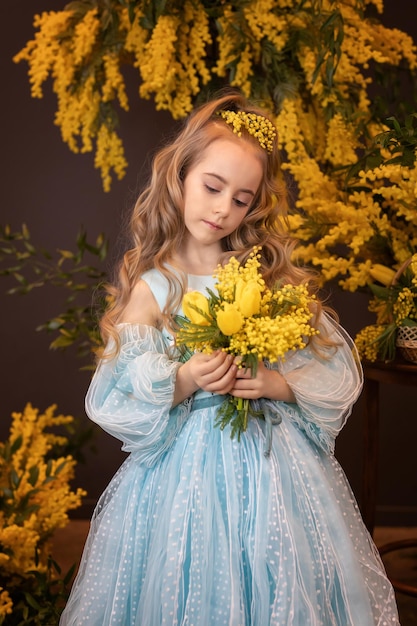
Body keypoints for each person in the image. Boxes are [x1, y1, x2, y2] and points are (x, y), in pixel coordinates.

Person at [60, 91, 399, 625]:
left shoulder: (260, 277)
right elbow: (116, 391)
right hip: (184, 476)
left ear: (255, 206)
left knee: (279, 571)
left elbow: (328, 370)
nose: (222, 209)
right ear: (180, 175)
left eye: (241, 199)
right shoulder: (157, 288)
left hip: (274, 467)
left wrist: (275, 385)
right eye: (212, 187)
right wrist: (185, 377)